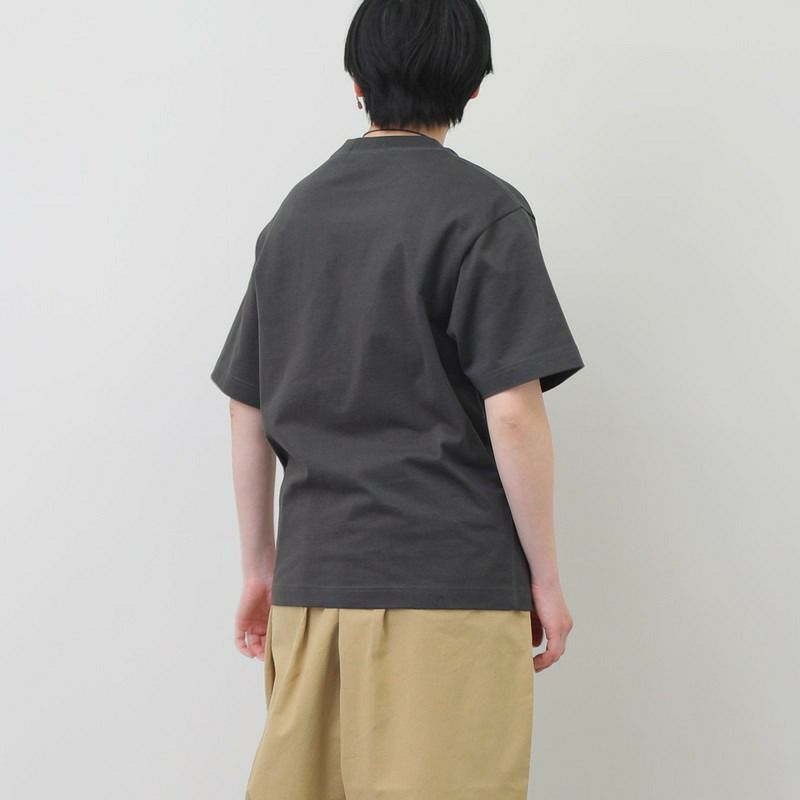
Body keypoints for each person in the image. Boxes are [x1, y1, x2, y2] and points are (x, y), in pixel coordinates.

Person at [210, 1, 585, 797]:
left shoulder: (294, 216)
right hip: (448, 589)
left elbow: (247, 408)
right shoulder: (484, 212)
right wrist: (546, 581)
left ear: (356, 81)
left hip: (312, 589)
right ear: (472, 86)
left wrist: (259, 570)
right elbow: (512, 410)